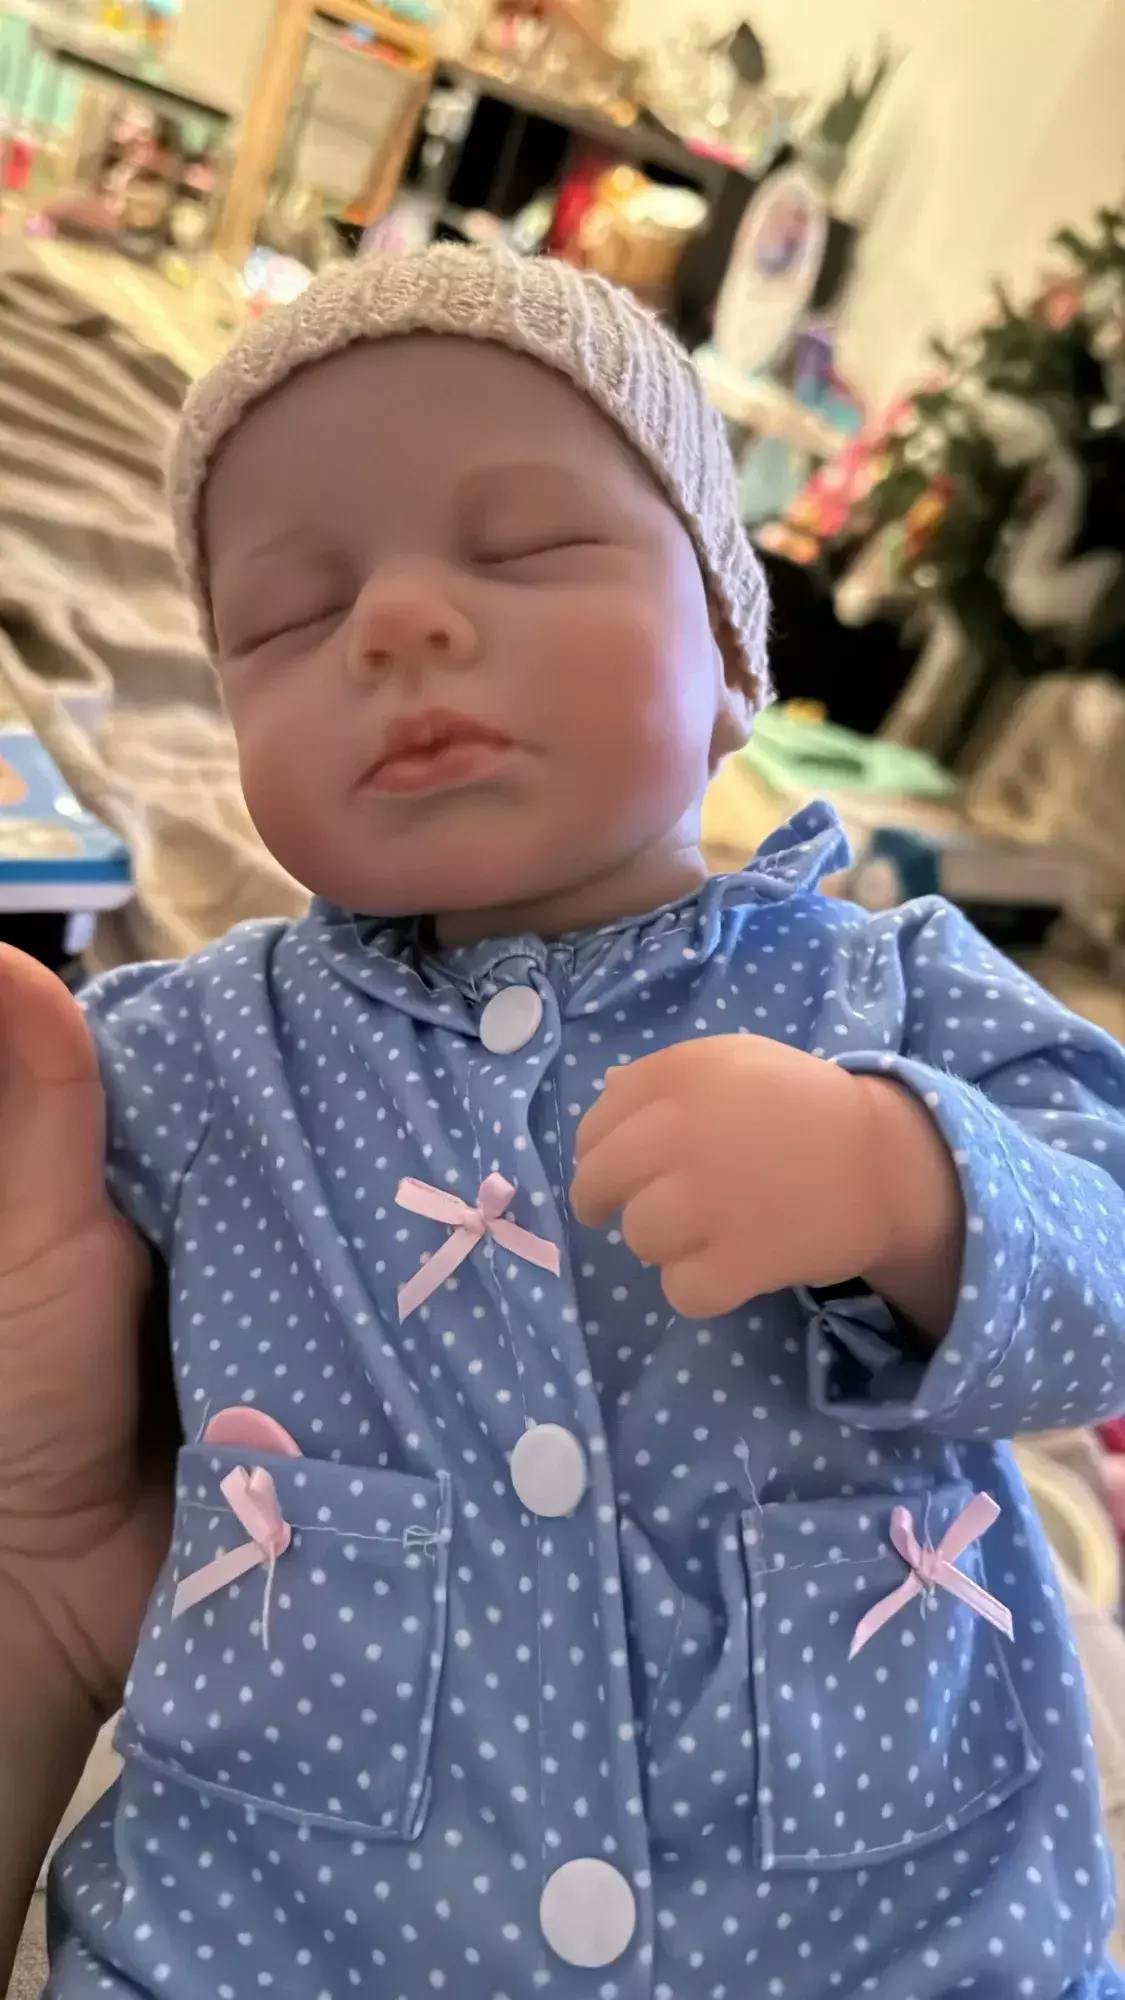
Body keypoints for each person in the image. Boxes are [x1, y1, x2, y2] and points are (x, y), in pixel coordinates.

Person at [4, 241, 1125, 1998]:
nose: (395, 624)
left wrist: (910, 1182)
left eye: (523, 546)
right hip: (272, 1943)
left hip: (882, 1934)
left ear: (732, 651)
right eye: (288, 618)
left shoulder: (890, 989)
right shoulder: (189, 1054)